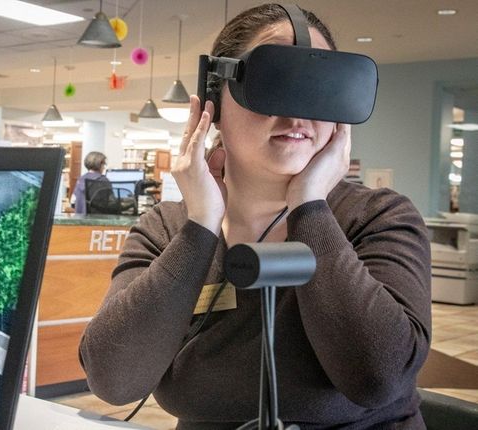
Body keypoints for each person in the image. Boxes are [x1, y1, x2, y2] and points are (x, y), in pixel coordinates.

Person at [79, 4, 431, 429]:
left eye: (317, 88)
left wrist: (310, 209)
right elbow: (114, 380)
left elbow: (380, 378)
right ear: (214, 100)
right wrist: (201, 227)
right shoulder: (168, 228)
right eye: (274, 82)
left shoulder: (377, 217)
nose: (297, 115)